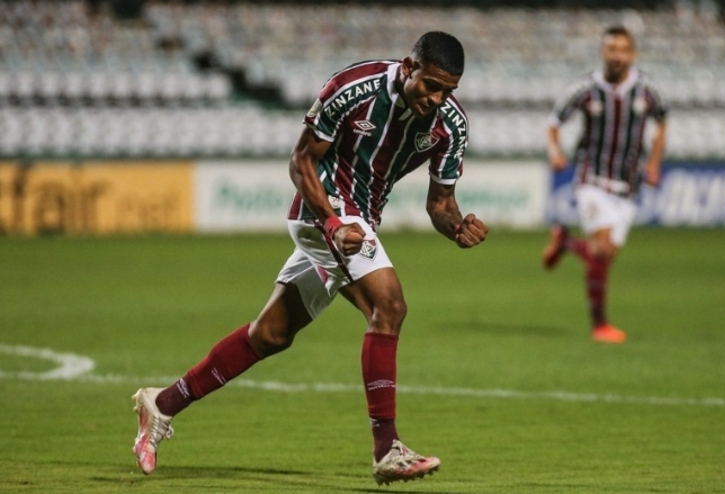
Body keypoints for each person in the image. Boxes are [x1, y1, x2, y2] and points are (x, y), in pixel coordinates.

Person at [131, 31, 488, 486]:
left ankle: (162, 404)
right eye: (431, 85)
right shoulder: (354, 88)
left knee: (270, 335)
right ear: (408, 67)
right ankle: (387, 448)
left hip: (360, 226)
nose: (437, 99)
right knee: (389, 306)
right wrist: (333, 223)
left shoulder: (450, 126)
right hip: (322, 212)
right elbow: (301, 161)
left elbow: (440, 204)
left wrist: (457, 226)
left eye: (448, 91)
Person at [542, 25, 668, 344]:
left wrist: (653, 164)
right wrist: (555, 153)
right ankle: (600, 325)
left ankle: (566, 243)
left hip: (628, 186)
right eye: (611, 49)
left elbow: (661, 122)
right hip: (592, 179)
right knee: (603, 247)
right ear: (603, 52)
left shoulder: (647, 90)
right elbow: (554, 123)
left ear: (632, 54)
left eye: (623, 50)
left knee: (605, 255)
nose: (617, 56)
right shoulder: (585, 88)